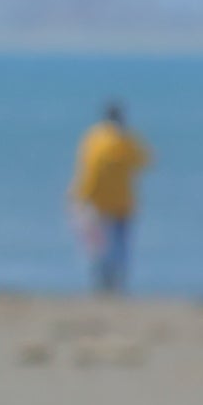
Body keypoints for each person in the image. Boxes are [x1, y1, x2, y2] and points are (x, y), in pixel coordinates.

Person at [69, 101, 149, 292]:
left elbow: (87, 170)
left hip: (98, 201)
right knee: (119, 247)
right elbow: (145, 160)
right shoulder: (126, 139)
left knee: (98, 247)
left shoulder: (94, 138)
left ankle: (103, 283)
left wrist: (79, 196)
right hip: (122, 202)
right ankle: (115, 284)